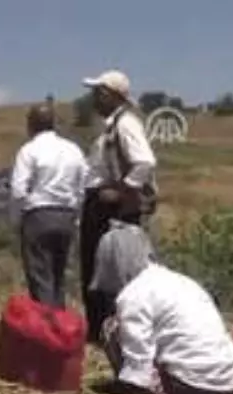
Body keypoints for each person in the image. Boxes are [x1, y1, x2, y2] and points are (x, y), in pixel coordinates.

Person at [90, 225, 233, 394]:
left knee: (110, 328)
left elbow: (139, 366)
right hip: (231, 390)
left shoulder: (134, 295)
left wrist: (122, 387)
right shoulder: (181, 282)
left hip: (194, 391)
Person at [78, 70, 159, 344]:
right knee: (102, 266)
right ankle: (103, 328)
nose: (93, 99)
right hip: (103, 202)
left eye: (97, 93)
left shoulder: (126, 124)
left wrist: (121, 190)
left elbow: (145, 162)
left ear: (110, 95)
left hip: (112, 208)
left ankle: (108, 329)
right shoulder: (114, 125)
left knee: (107, 267)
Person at [9, 104, 88, 308]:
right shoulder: (73, 149)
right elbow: (83, 185)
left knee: (41, 277)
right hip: (66, 216)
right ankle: (61, 325)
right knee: (59, 275)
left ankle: (47, 329)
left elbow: (18, 191)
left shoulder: (29, 151)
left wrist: (17, 221)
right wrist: (76, 215)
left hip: (39, 215)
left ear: (31, 125)